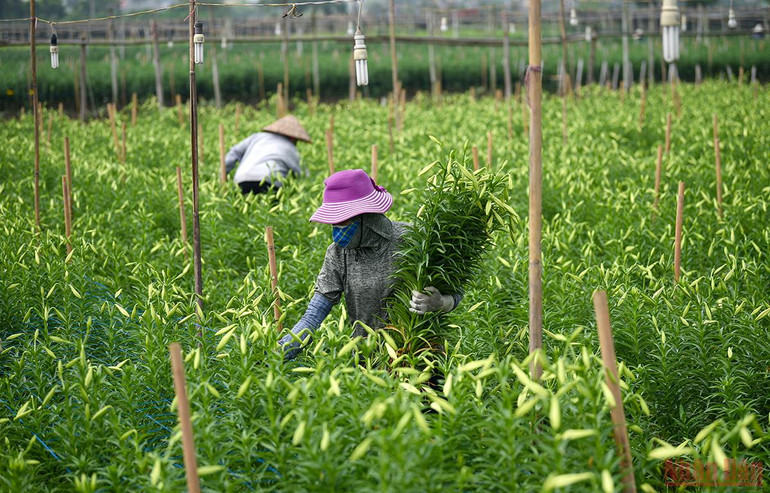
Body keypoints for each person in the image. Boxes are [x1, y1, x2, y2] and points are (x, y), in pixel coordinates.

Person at [278, 169, 462, 360]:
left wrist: (440, 302)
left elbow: (457, 293)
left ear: (366, 218)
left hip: (420, 355)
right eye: (333, 222)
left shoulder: (413, 240)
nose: (337, 229)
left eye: (342, 221)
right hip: (367, 358)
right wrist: (279, 353)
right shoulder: (338, 253)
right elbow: (314, 314)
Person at [224, 115, 312, 194]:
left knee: (242, 208)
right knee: (273, 209)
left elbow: (234, 153)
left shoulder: (257, 136)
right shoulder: (291, 148)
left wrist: (224, 173)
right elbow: (300, 172)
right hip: (270, 182)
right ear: (293, 138)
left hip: (242, 179)